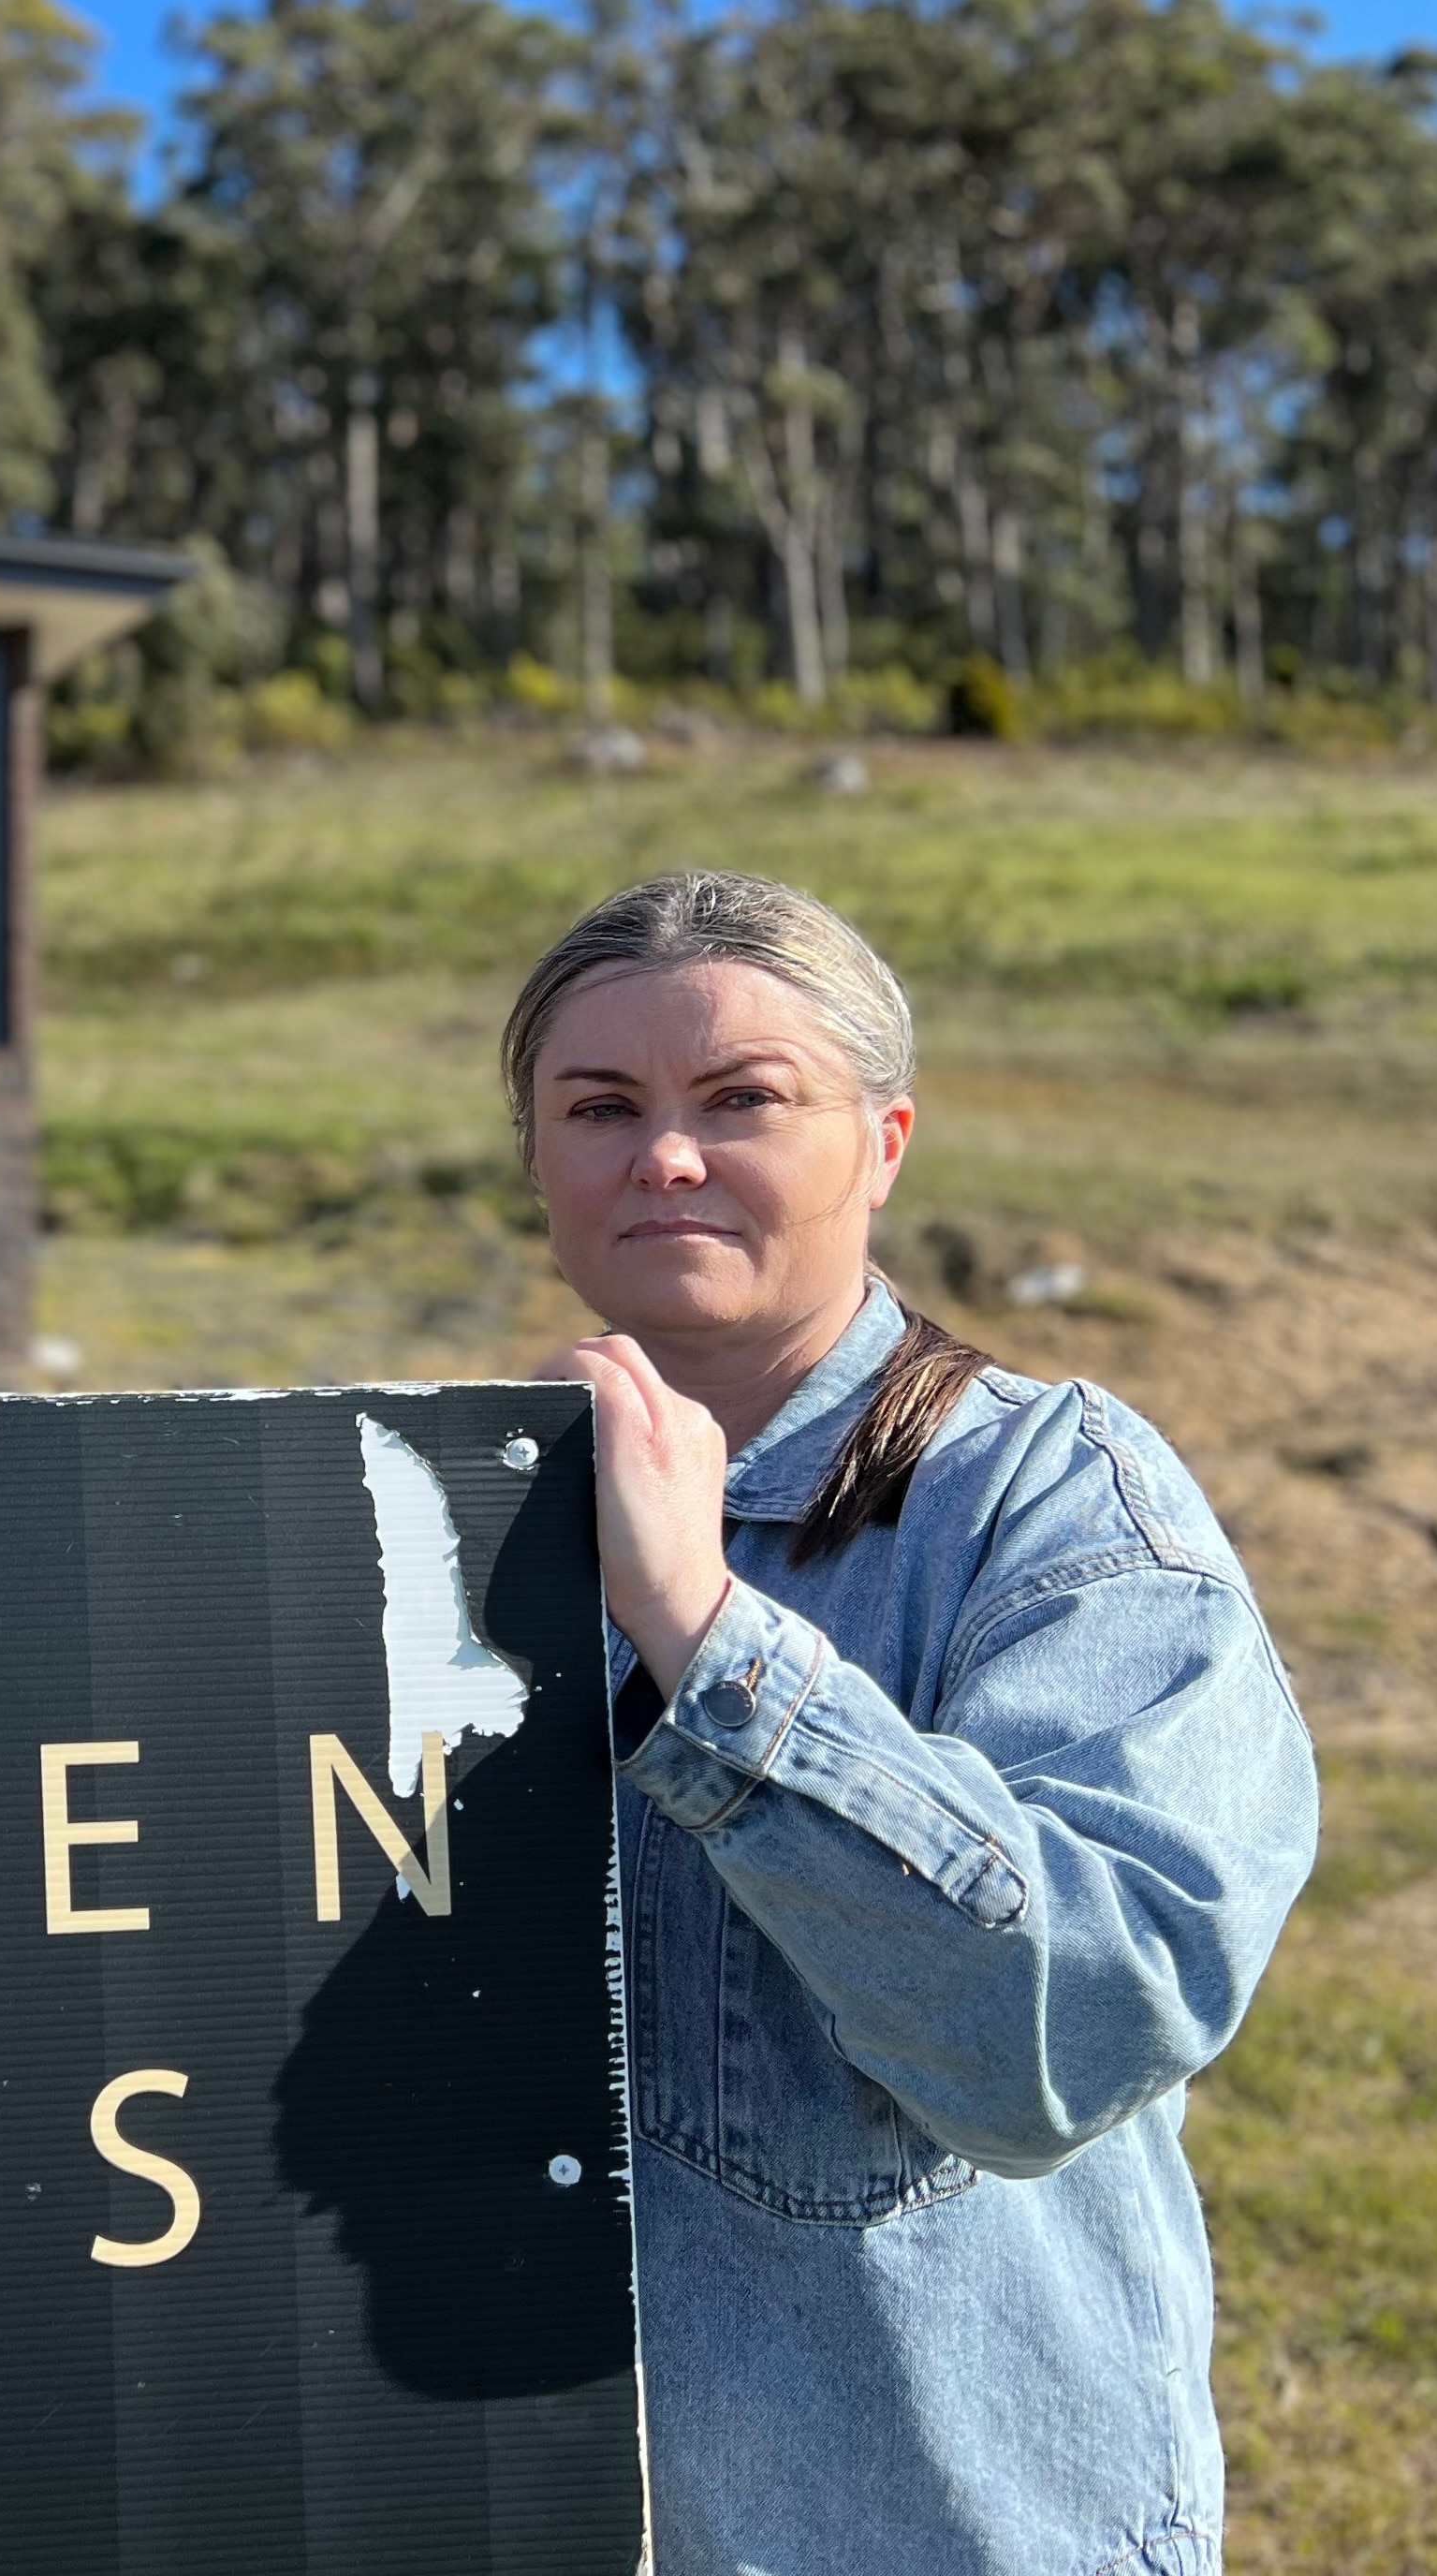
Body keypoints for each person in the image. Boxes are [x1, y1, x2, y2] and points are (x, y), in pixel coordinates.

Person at [512, 871, 1315, 2575]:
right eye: (601, 1106)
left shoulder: (1054, 1509)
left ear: (881, 1140)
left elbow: (1077, 2025)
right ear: (535, 1153)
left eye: (741, 1099)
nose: (664, 1155)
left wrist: (702, 1632)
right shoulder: (456, 1501)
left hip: (928, 2516)